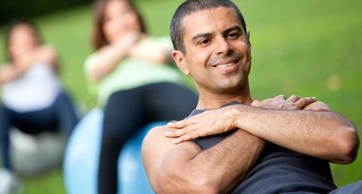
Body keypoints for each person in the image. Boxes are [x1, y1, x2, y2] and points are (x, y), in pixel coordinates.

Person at [142, 0, 361, 193]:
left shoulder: (293, 106)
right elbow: (200, 187)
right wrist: (251, 116)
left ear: (248, 42)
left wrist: (238, 114)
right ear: (181, 61)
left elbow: (345, 142)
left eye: (232, 35)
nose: (224, 47)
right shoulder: (170, 136)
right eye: (205, 41)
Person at [84, 0, 198, 193]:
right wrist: (126, 44)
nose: (121, 22)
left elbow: (160, 56)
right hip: (121, 95)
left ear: (137, 16)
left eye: (126, 13)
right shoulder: (98, 57)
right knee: (111, 135)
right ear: (102, 29)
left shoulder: (157, 43)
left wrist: (129, 45)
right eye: (111, 19)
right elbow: (95, 71)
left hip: (162, 86)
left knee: (201, 115)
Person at [0, 19, 79, 194]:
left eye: (29, 36)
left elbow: (51, 57)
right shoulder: (5, 70)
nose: (27, 41)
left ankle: (80, 152)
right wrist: (29, 59)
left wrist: (30, 58)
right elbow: (2, 77)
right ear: (10, 49)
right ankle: (7, 174)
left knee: (63, 97)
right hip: (24, 121)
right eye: (20, 40)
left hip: (50, 113)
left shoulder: (47, 56)